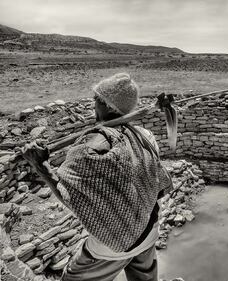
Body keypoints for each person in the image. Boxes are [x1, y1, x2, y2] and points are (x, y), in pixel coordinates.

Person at [21, 73, 173, 281]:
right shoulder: (145, 136)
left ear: (108, 105)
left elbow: (69, 195)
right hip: (149, 228)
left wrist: (41, 165)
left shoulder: (89, 148)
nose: (94, 106)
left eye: (96, 100)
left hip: (114, 245)